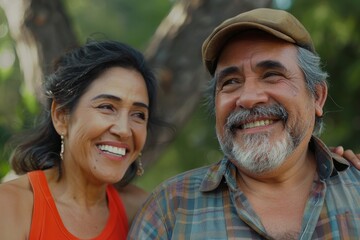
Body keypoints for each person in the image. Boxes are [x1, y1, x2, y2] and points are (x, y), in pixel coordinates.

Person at [128, 8, 360, 239]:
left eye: (271, 75)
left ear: (317, 96)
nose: (249, 98)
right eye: (231, 81)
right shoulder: (170, 210)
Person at [0, 39, 163, 239]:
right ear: (61, 116)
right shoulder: (10, 206)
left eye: (138, 115)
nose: (124, 130)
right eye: (107, 107)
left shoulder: (144, 212)